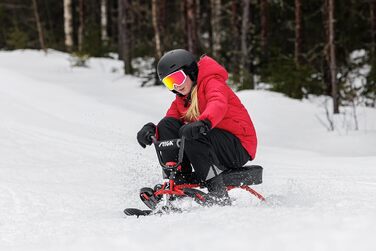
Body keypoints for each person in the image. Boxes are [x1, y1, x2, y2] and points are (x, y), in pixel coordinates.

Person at [136, 49, 257, 206]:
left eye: (177, 79)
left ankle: (218, 194)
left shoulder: (212, 82)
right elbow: (169, 123)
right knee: (168, 125)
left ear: (190, 71)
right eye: (169, 82)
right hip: (210, 143)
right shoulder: (181, 99)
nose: (175, 86)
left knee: (192, 133)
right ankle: (178, 184)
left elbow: (217, 103)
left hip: (237, 147)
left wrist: (204, 123)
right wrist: (152, 130)